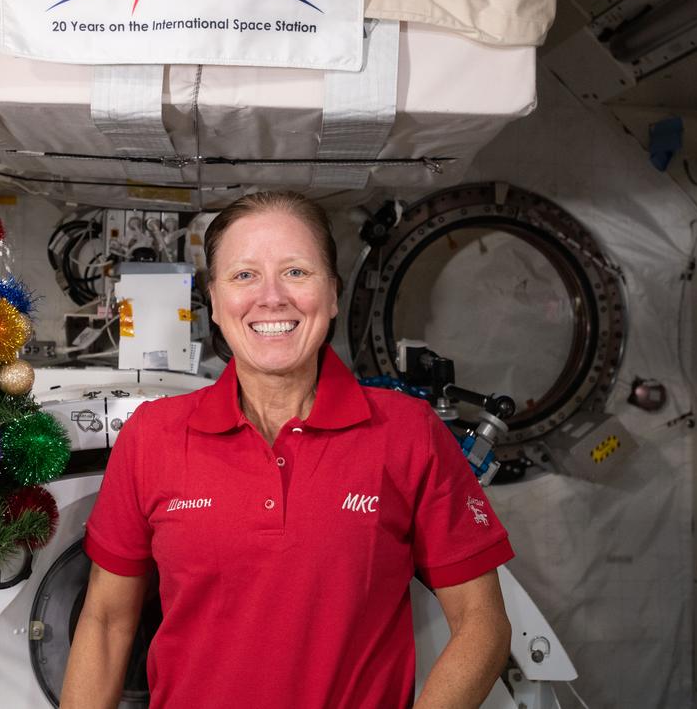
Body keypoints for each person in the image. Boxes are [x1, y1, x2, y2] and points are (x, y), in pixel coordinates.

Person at [61, 191, 514, 709]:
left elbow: (482, 625)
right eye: (244, 275)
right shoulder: (153, 437)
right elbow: (105, 622)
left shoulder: (407, 432)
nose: (271, 297)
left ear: (334, 294)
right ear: (214, 297)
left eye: (296, 272)